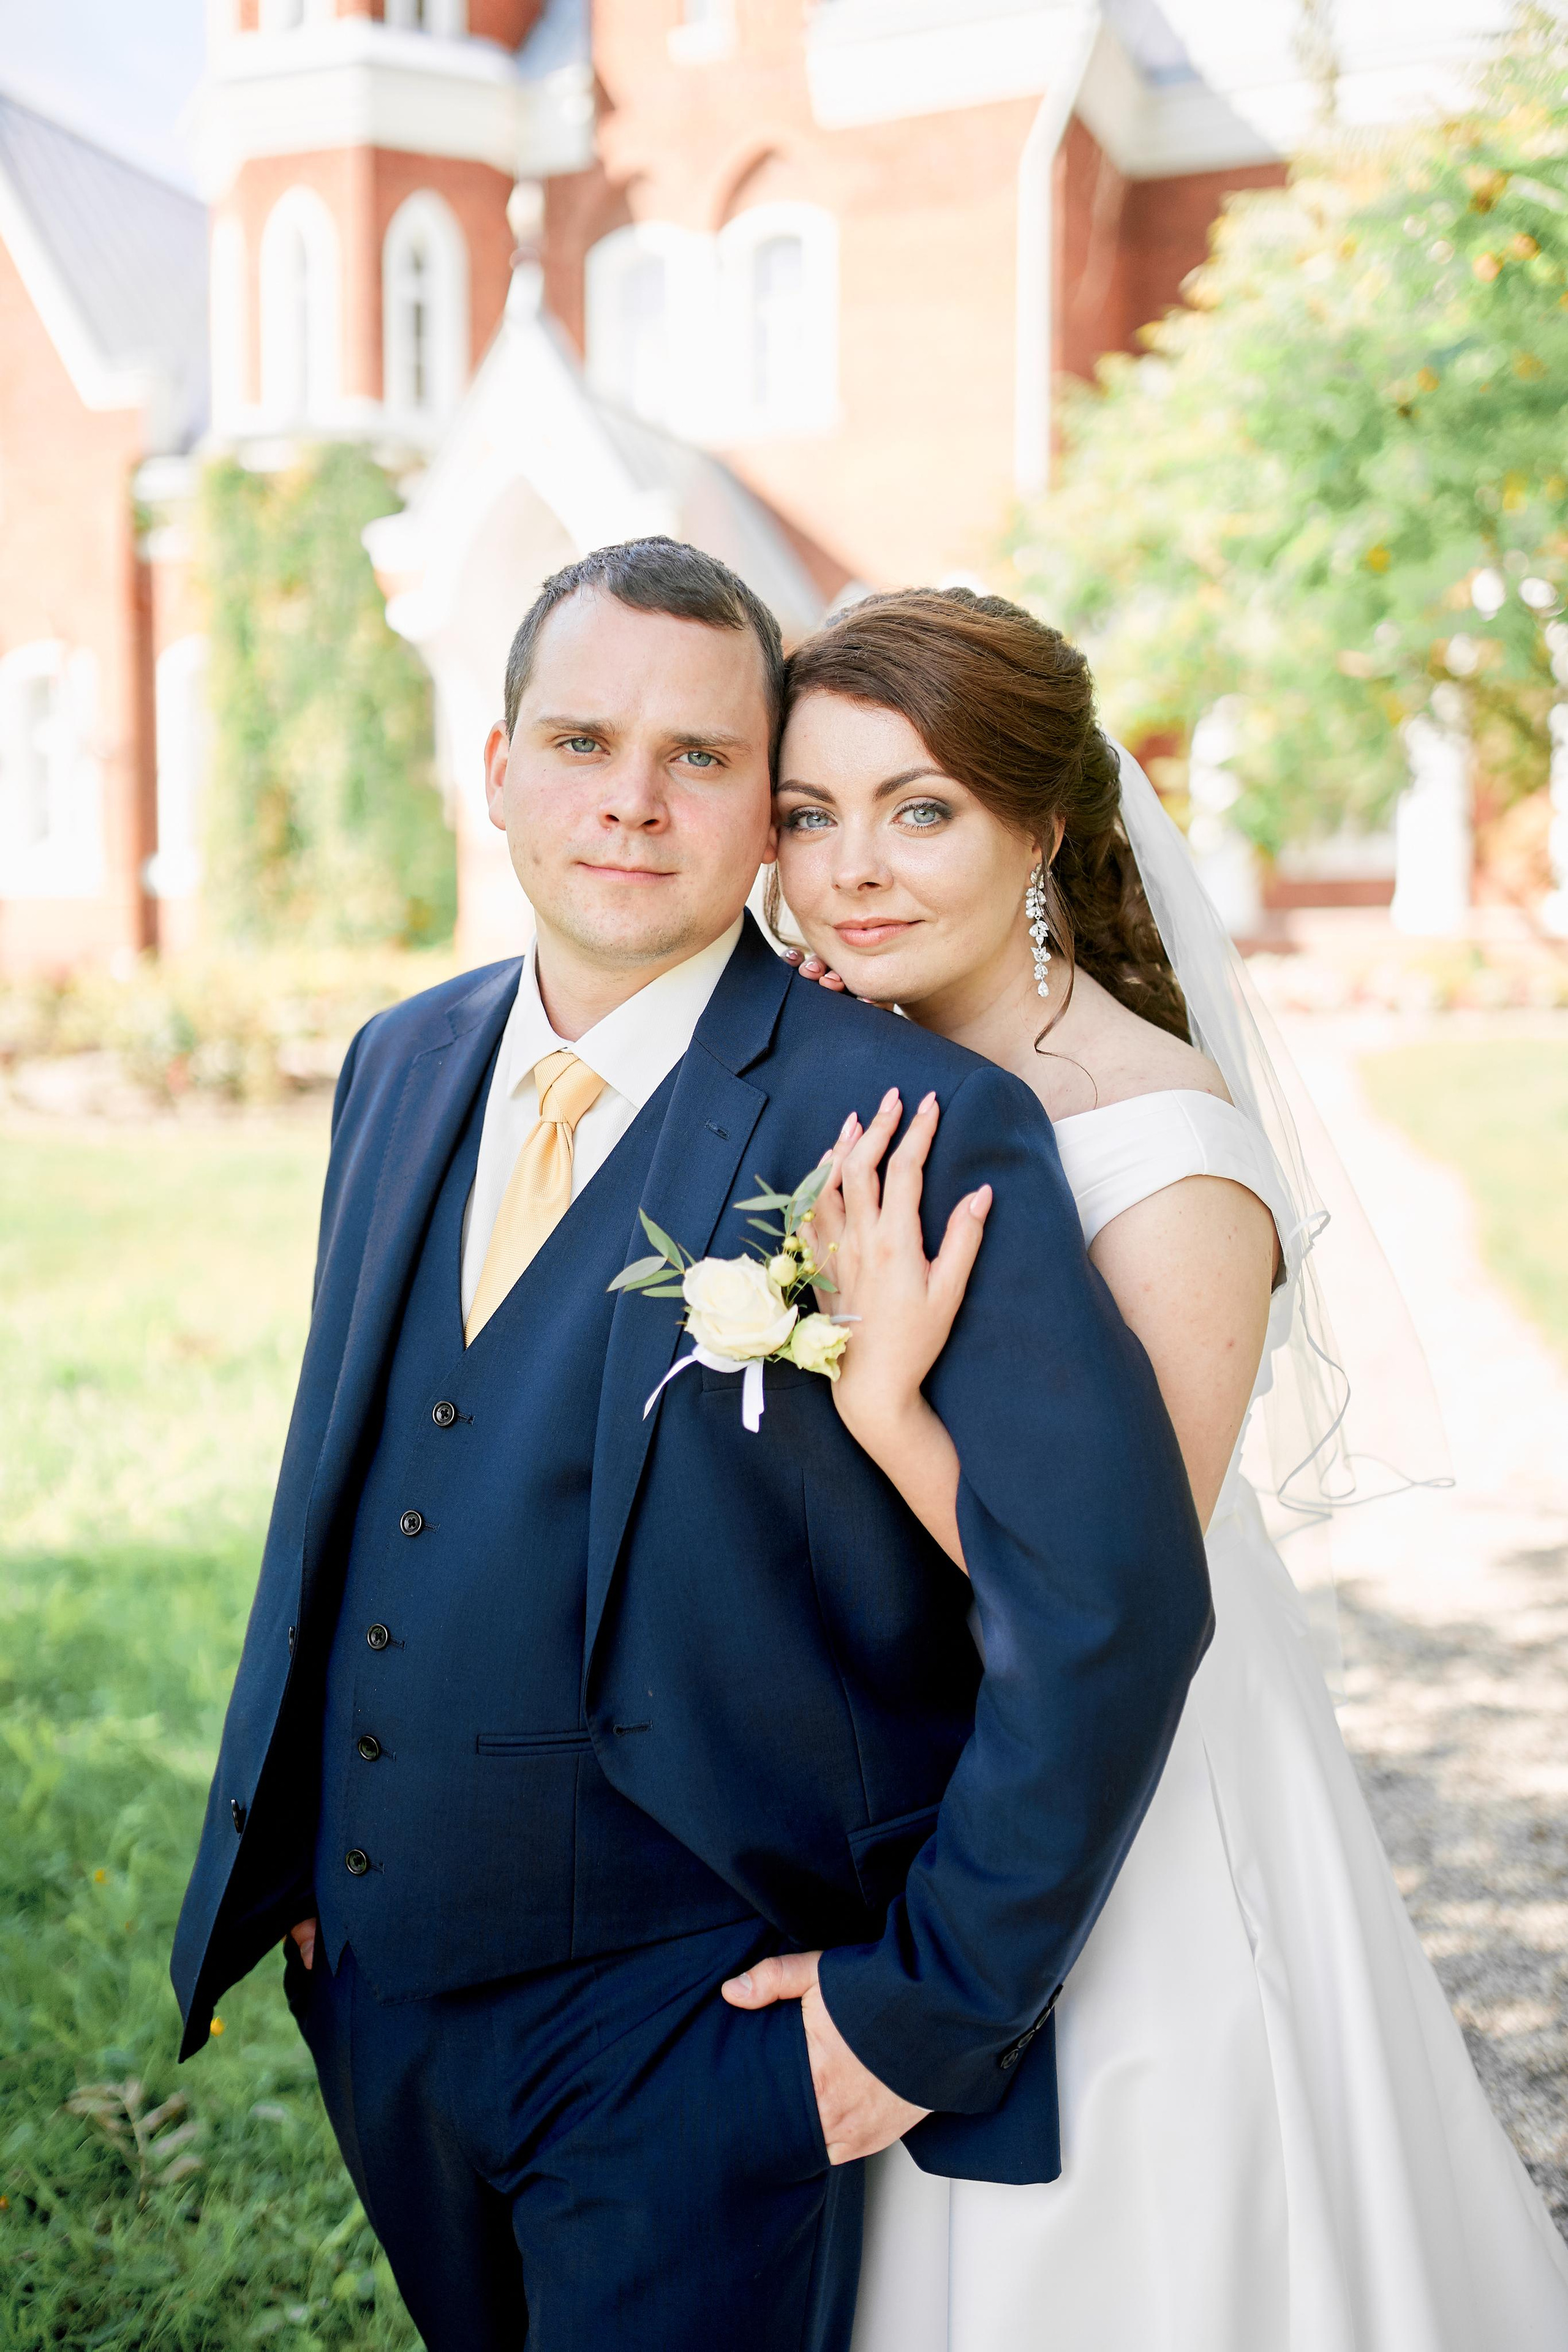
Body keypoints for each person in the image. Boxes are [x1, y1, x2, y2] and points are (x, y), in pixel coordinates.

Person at [169, 541, 1213, 2352]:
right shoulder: (399, 1065)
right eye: (580, 740)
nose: (632, 803)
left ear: (761, 815)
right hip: (384, 1994)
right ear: (494, 770)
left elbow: (1115, 1607)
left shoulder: (916, 1122)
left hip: (702, 2028)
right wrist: (315, 1866)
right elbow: (350, 1480)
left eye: (702, 759)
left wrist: (922, 2011)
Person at [771, 584, 1568, 2351]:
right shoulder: (859, 1077)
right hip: (908, 1771)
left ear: (1042, 824)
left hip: (1128, 1795)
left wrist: (890, 1403)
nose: (852, 869)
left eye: (922, 809)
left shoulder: (1168, 1159)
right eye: (810, 815)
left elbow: (1109, 1596)